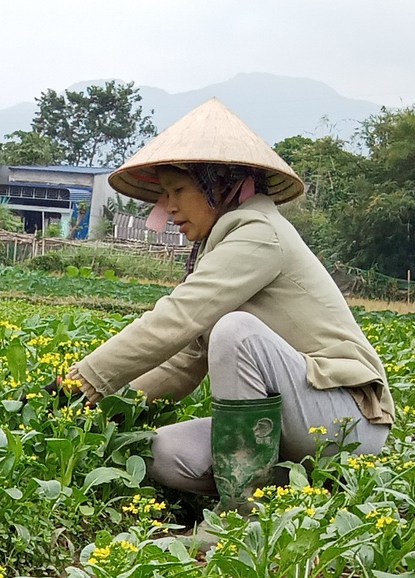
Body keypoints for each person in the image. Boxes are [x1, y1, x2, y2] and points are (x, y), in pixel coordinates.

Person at [61, 99, 395, 507]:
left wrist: (87, 378)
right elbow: (186, 357)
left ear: (218, 184)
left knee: (236, 331)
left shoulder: (258, 232)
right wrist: (109, 407)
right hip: (292, 424)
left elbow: (179, 317)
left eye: (179, 190)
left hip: (343, 421)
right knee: (160, 452)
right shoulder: (224, 244)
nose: (170, 208)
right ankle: (287, 493)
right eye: (165, 195)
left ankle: (240, 515)